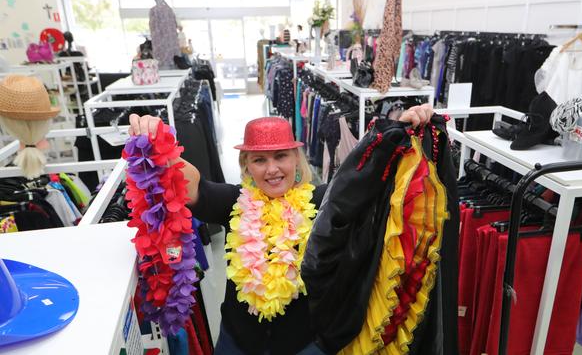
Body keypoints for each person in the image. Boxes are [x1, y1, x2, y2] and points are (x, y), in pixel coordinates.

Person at [127, 106, 434, 355]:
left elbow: (374, 185)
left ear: (296, 159)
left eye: (280, 156)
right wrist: (157, 141)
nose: (272, 169)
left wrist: (402, 130)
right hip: (237, 343)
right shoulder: (235, 202)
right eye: (259, 160)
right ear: (247, 167)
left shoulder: (323, 202)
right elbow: (189, 184)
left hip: (305, 344)